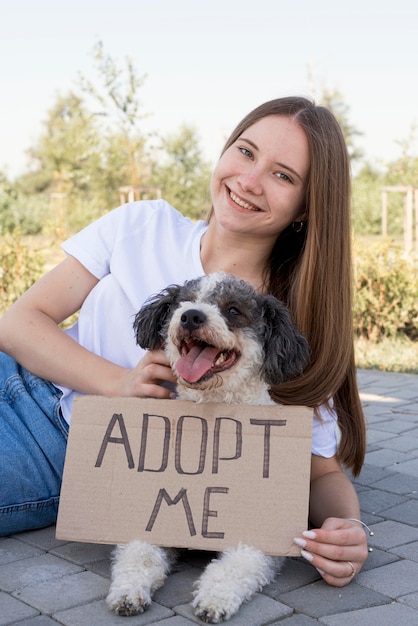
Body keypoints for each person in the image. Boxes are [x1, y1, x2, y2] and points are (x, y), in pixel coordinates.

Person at [0, 96, 369, 586]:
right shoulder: (141, 222)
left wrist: (347, 529)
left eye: (283, 176)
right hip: (17, 375)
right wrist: (120, 383)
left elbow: (319, 471)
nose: (249, 180)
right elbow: (20, 322)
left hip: (63, 447)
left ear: (307, 206)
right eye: (245, 151)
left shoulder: (284, 325)